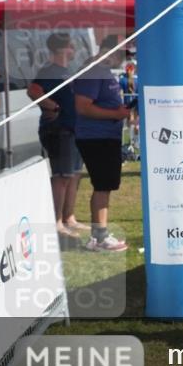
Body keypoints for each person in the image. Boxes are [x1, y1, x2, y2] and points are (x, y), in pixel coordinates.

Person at [73, 35, 131, 252]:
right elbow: (83, 107)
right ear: (109, 51)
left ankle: (99, 235)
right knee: (103, 186)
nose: (121, 60)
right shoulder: (93, 71)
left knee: (104, 186)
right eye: (120, 54)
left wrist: (118, 112)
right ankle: (99, 238)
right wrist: (115, 113)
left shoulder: (101, 71)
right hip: (96, 137)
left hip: (104, 136)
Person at [28, 33, 86, 239]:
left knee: (74, 175)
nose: (74, 50)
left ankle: (69, 217)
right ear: (63, 49)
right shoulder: (48, 70)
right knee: (62, 177)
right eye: (71, 46)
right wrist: (52, 105)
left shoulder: (65, 71)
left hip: (73, 130)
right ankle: (56, 222)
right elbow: (33, 91)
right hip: (59, 130)